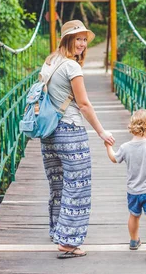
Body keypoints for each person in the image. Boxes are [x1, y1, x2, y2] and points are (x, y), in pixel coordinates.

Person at [40, 19, 115, 259]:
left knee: (58, 184)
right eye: (78, 38)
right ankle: (69, 242)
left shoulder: (50, 61)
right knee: (77, 186)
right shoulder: (72, 67)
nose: (82, 43)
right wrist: (102, 132)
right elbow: (83, 104)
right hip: (70, 131)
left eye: (84, 39)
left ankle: (57, 231)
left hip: (49, 132)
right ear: (67, 39)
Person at [104, 109, 146, 260]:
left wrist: (108, 147)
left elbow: (114, 159)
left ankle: (134, 241)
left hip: (133, 191)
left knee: (134, 216)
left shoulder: (125, 147)